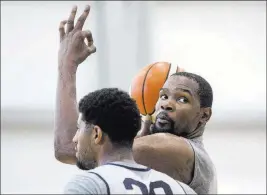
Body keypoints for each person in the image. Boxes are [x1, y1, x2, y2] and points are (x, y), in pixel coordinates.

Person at [55, 5, 217, 194]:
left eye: (182, 99)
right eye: (163, 96)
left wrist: (67, 64)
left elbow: (70, 147)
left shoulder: (181, 150)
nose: (166, 104)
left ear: (204, 115)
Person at [63, 88, 196, 194]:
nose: (74, 139)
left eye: (79, 129)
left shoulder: (88, 184)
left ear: (96, 134)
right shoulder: (184, 190)